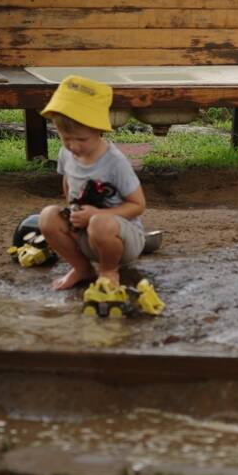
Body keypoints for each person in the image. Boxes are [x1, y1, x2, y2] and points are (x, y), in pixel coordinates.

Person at [32, 76, 150, 312]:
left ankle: (108, 271)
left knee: (99, 222)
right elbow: (68, 183)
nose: (74, 146)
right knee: (47, 216)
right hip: (85, 233)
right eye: (66, 139)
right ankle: (82, 268)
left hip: (121, 239)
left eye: (81, 139)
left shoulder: (114, 162)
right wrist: (73, 214)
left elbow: (138, 205)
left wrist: (95, 214)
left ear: (99, 130)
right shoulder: (67, 154)